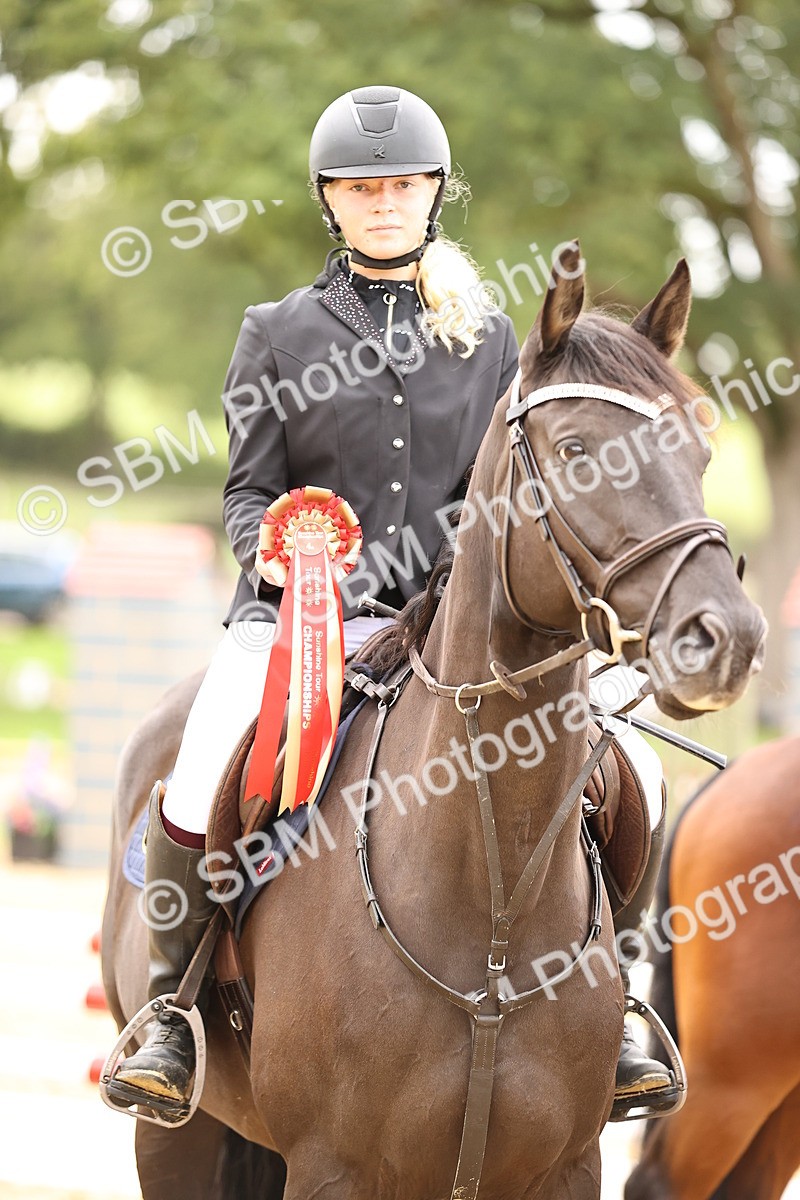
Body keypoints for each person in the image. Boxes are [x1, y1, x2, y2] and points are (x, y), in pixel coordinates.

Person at [109, 85, 672, 1120]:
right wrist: (269, 557)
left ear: (431, 195)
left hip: (455, 630)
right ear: (330, 200)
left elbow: (499, 497)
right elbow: (248, 492)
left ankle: (622, 1004)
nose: (382, 202)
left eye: (401, 184)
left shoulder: (490, 335)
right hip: (299, 622)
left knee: (628, 764)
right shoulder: (274, 332)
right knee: (197, 772)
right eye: (360, 187)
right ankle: (170, 1017)